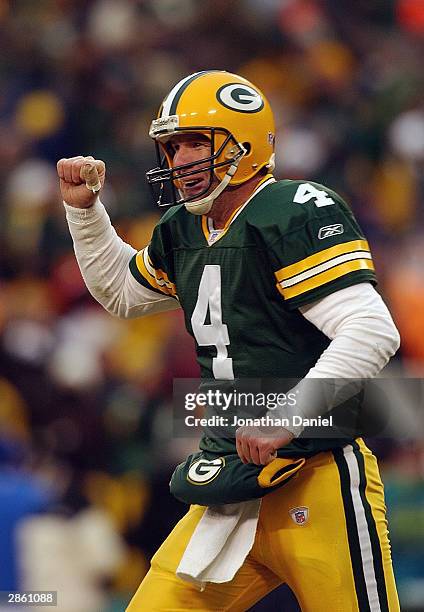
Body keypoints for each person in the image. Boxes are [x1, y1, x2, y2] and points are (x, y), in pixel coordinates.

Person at [57, 70, 400, 611]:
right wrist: (86, 213)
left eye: (197, 141)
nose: (181, 159)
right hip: (229, 479)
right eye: (171, 147)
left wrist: (288, 415)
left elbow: (372, 329)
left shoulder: (293, 209)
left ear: (246, 141)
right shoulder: (182, 227)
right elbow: (122, 293)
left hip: (316, 476)